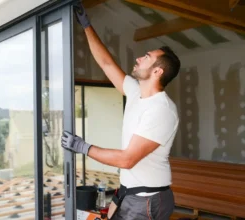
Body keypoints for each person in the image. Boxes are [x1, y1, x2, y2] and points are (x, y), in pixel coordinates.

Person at [61, 2, 181, 220]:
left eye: (146, 57)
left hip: (147, 200)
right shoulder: (137, 93)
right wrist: (87, 25)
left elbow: (127, 160)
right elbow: (107, 64)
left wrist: (83, 147)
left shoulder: (161, 110)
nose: (138, 58)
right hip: (130, 194)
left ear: (157, 71)